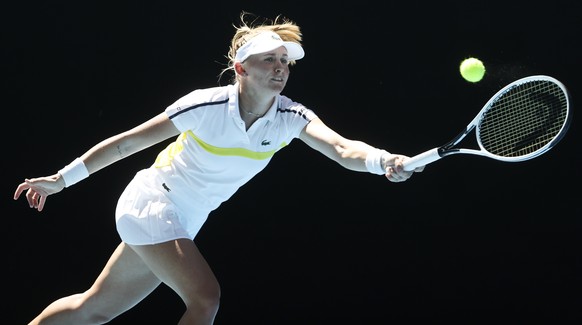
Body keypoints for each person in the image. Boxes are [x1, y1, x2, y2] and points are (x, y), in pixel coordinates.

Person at [13, 12, 424, 325]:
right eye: (269, 60)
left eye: (284, 61)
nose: (280, 67)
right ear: (242, 68)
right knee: (206, 298)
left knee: (94, 310)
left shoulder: (291, 116)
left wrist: (382, 160)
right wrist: (60, 180)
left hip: (186, 219)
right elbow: (127, 143)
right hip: (153, 202)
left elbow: (340, 148)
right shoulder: (204, 105)